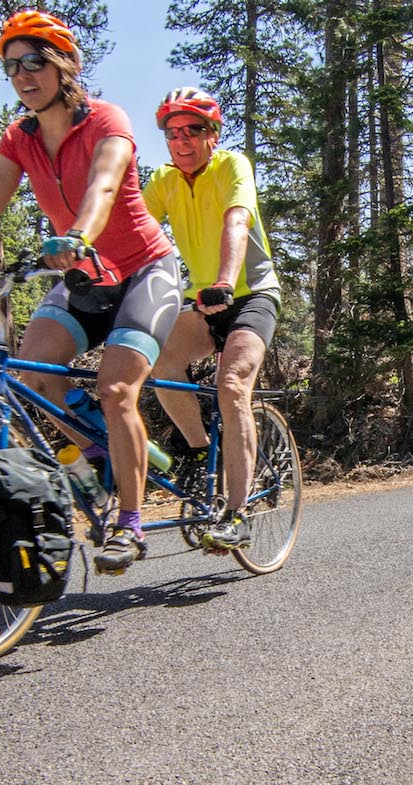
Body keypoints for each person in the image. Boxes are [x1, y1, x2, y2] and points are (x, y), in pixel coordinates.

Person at [0, 10, 180, 575]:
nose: (23, 75)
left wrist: (77, 234)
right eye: (11, 66)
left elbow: (103, 184)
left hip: (145, 272)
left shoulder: (105, 119)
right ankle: (102, 451)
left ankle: (129, 523)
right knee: (30, 378)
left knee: (116, 387)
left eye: (35, 62)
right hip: (82, 279)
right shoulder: (19, 138)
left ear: (64, 65)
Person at [140, 87, 281, 550]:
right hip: (204, 301)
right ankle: (201, 451)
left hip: (250, 295)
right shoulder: (163, 181)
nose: (182, 141)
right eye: (172, 132)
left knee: (232, 385)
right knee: (158, 357)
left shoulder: (230, 166)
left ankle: (238, 514)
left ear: (212, 134)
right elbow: (135, 230)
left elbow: (235, 222)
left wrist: (223, 279)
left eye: (193, 130)